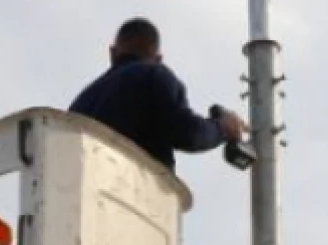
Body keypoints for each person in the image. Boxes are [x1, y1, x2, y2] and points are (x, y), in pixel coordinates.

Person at [69, 18, 246, 171]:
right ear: (158, 59)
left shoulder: (79, 104)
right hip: (134, 192)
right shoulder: (154, 74)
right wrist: (223, 128)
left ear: (112, 53)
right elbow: (187, 133)